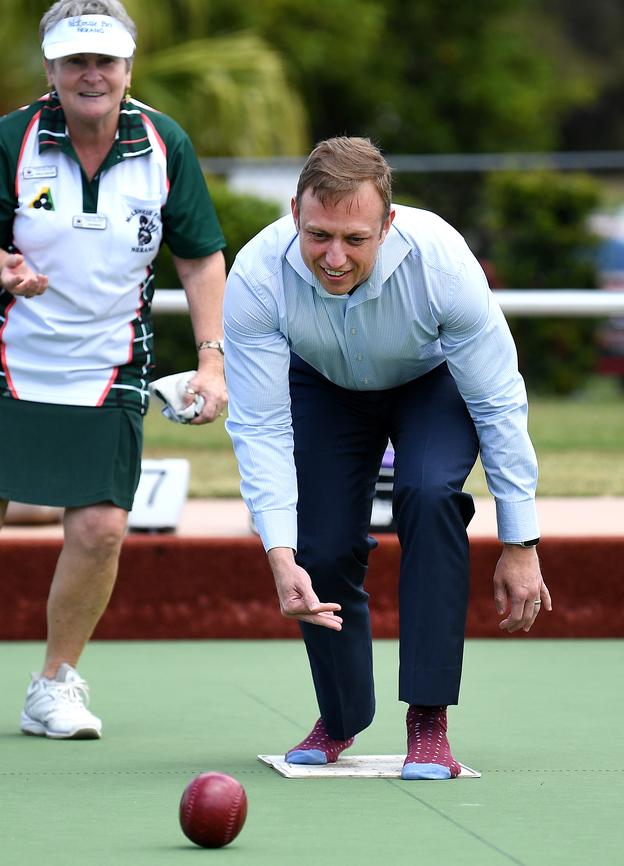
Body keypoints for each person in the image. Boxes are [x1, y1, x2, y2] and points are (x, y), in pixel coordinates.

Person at [224, 136, 552, 780]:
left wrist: (522, 542)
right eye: (318, 235)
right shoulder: (257, 275)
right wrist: (278, 551)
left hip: (430, 383)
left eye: (355, 239)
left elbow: (498, 403)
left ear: (388, 224)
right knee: (318, 545)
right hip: (322, 386)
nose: (334, 258)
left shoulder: (443, 265)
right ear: (294, 212)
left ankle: (428, 719)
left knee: (429, 495)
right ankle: (341, 717)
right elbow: (259, 423)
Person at [0, 0, 227, 739]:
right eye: (75, 60)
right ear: (51, 70)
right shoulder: (11, 140)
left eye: (104, 60)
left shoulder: (167, 145)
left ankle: (54, 685)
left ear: (128, 68)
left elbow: (197, 257)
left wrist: (211, 362)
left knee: (100, 527)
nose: (90, 74)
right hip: (9, 354)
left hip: (109, 359)